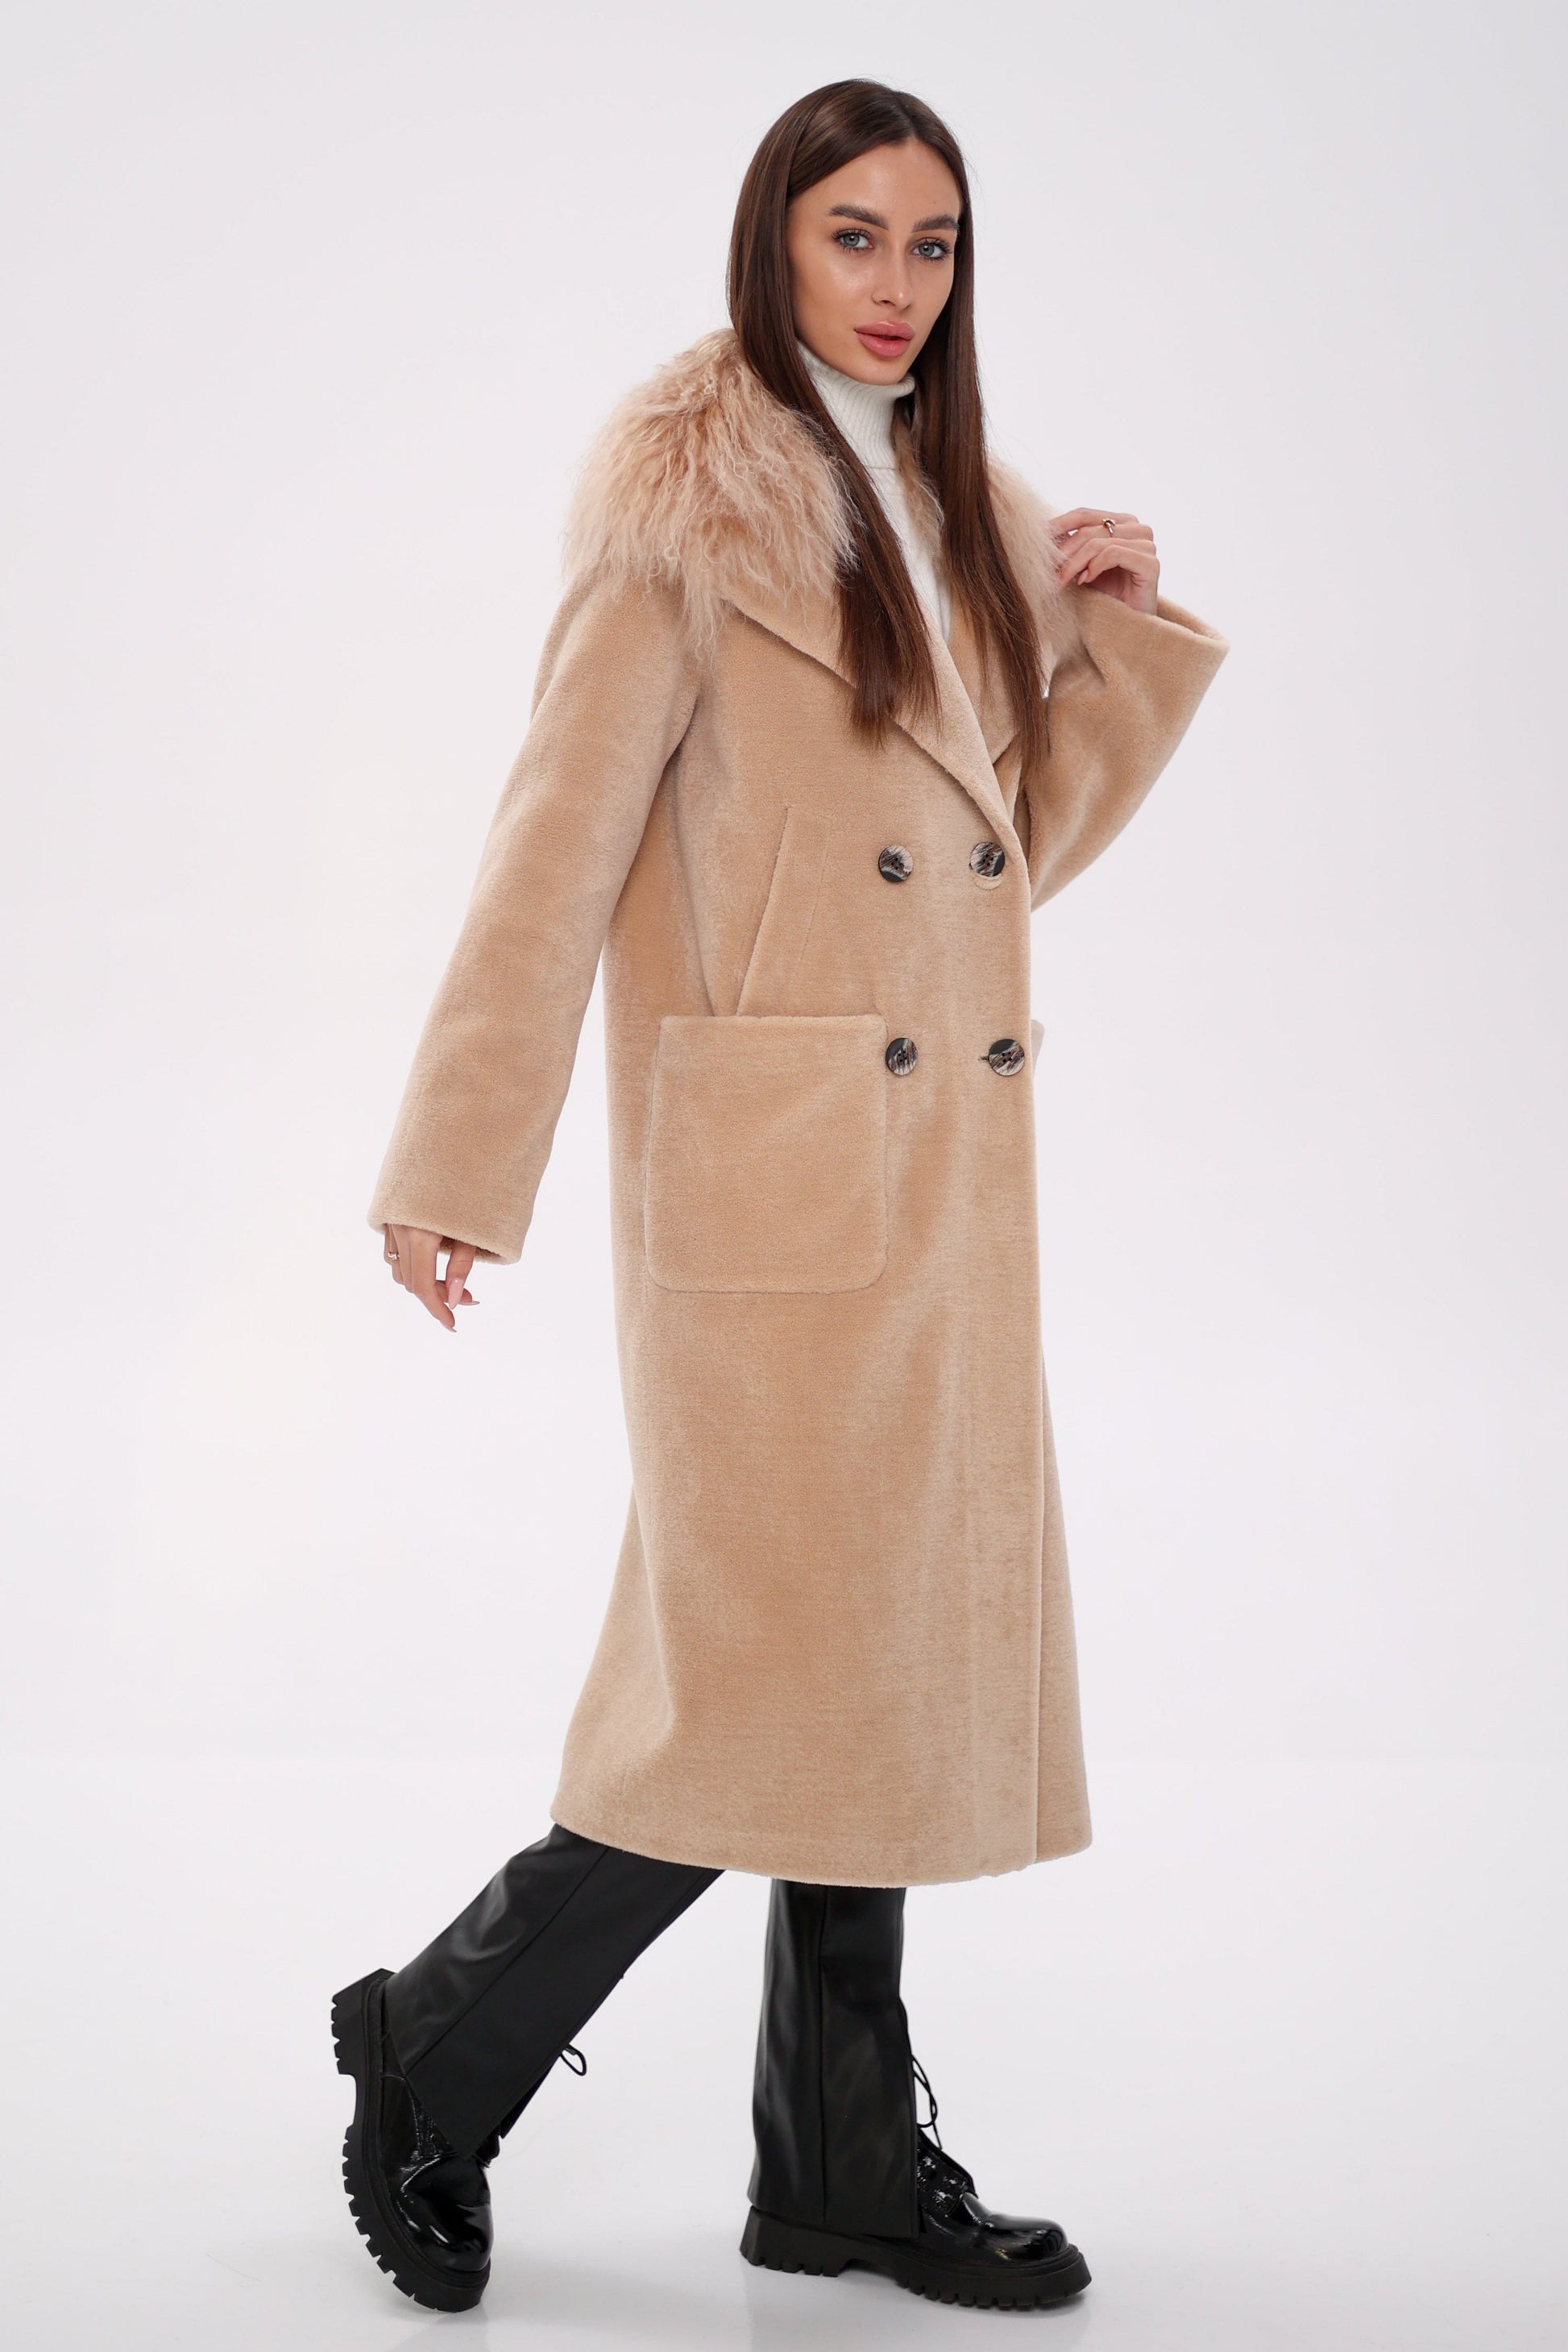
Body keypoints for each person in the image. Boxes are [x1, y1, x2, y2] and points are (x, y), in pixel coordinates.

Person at [334, 77, 1227, 2316]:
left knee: (875, 1675)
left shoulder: (964, 507)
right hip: (769, 1180)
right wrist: (457, 1162)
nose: (896, 283)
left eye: (933, 242)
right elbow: (551, 847)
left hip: (940, 1178)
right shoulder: (686, 509)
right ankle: (437, 2040)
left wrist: (1117, 634)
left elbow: (1010, 854)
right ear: (772, 244)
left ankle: (834, 2166)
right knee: (751, 1677)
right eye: (854, 235)